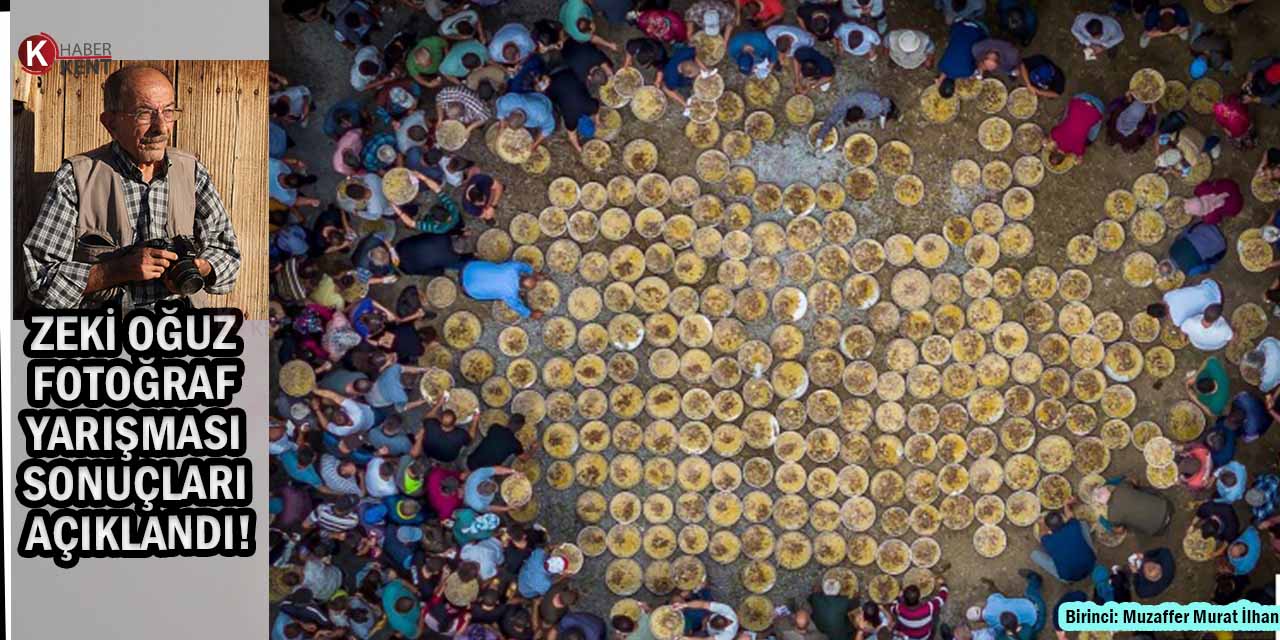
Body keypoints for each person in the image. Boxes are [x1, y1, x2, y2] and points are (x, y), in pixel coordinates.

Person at [22, 66, 240, 310]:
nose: (161, 127)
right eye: (144, 114)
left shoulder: (192, 172)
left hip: (181, 334)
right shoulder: (76, 177)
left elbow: (228, 256)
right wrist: (116, 271)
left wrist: (201, 268)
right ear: (111, 123)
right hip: (104, 339)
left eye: (168, 112)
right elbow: (40, 279)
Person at [537, 68, 600, 152]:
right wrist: (579, 149)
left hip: (569, 72)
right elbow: (572, 136)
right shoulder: (571, 119)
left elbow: (597, 105)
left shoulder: (590, 107)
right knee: (553, 100)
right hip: (552, 81)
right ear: (578, 126)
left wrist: (597, 121)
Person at [460, 260, 546, 318]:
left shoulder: (513, 268)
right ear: (524, 290)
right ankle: (464, 289)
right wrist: (531, 314)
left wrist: (534, 273)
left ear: (524, 275)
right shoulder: (510, 294)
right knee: (486, 293)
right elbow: (518, 307)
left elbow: (523, 266)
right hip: (469, 289)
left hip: (469, 268)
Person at [1032, 506, 1095, 582]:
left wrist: (1041, 523)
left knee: (1034, 555)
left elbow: (1041, 534)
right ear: (1063, 520)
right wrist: (1066, 505)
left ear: (1049, 528)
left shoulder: (1048, 541)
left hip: (1069, 576)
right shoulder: (1073, 526)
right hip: (1091, 564)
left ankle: (1066, 581)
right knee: (1083, 524)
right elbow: (1071, 516)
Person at [1092, 478, 1172, 536]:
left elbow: (1120, 531)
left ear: (1102, 503)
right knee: (1141, 491)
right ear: (1108, 490)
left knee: (1130, 525)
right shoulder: (1121, 487)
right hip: (1166, 506)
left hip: (1159, 528)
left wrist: (1112, 529)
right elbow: (1135, 480)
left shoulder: (1112, 516)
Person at [1045, 93, 1105, 163]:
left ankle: (1096, 116)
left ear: (1065, 157)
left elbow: (1080, 158)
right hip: (1081, 97)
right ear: (1053, 150)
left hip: (1098, 106)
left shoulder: (1078, 149)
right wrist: (1047, 141)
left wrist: (1078, 159)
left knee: (1091, 138)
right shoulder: (1056, 135)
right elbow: (1051, 135)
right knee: (1065, 119)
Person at [935, 19, 988, 96]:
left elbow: (977, 65)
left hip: (978, 28)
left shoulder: (966, 72)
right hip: (960, 24)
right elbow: (946, 70)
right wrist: (940, 79)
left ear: (955, 85)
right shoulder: (941, 65)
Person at [816, 89, 897, 140]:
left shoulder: (875, 107)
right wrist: (820, 137)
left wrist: (883, 116)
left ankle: (893, 113)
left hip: (874, 98)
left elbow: (886, 101)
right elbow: (830, 120)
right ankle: (848, 121)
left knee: (889, 110)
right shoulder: (845, 104)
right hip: (863, 98)